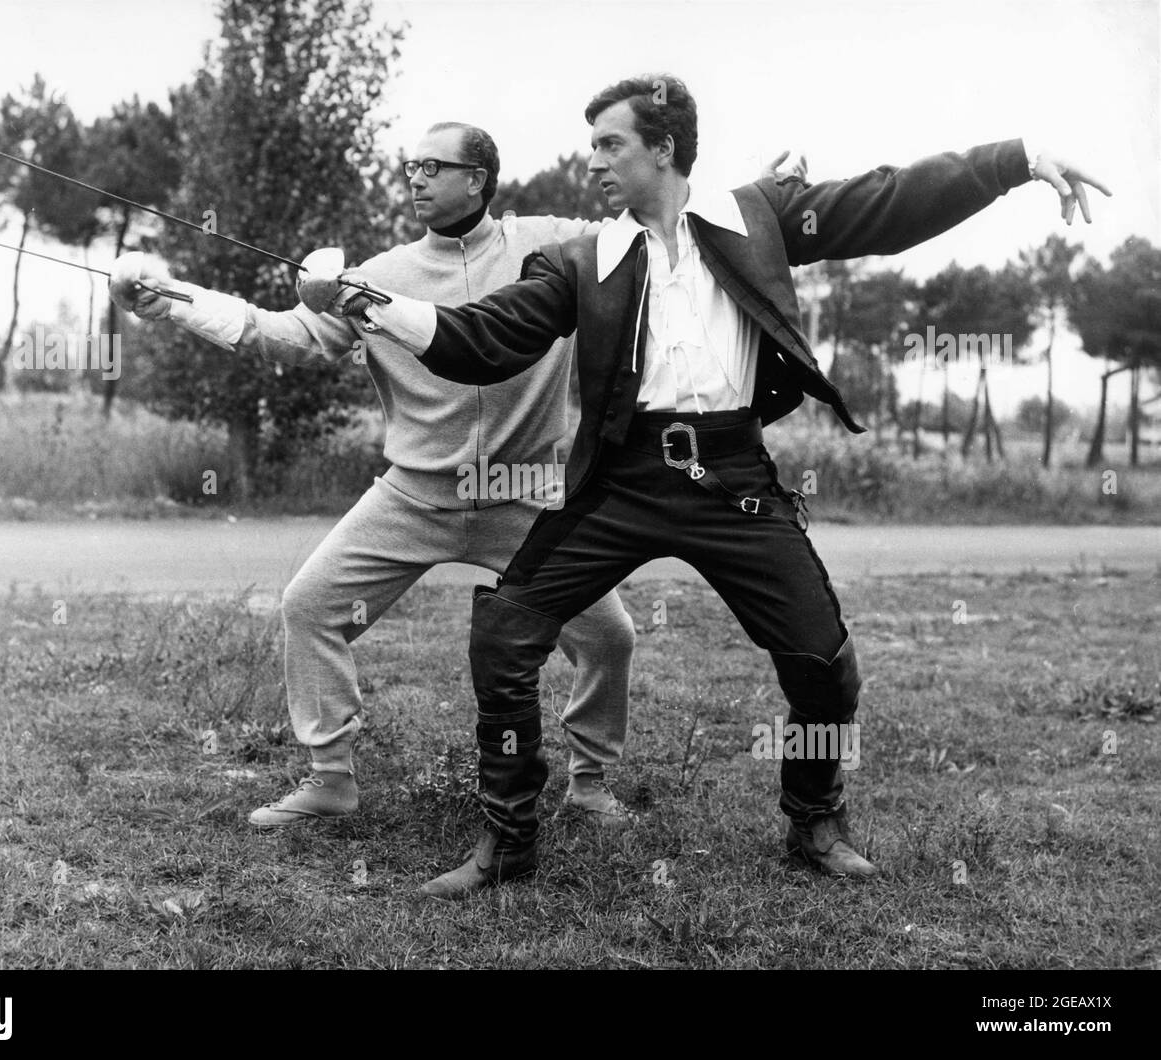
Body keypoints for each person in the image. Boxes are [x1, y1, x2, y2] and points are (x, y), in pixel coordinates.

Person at [325, 75, 1110, 898]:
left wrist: (1016, 160)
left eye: (610, 144)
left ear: (663, 149)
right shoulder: (582, 260)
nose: (591, 161)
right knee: (506, 635)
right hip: (622, 479)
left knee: (823, 661)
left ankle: (815, 821)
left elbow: (888, 203)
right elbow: (485, 340)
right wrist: (375, 305)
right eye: (591, 144)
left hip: (732, 477)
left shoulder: (757, 219)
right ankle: (507, 845)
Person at [111, 123, 654, 832]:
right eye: (411, 167)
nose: (417, 179)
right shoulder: (379, 274)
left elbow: (647, 226)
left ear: (479, 178)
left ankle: (589, 785)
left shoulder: (549, 242)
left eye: (434, 166)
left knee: (610, 638)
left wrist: (755, 199)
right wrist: (174, 299)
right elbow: (288, 336)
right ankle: (330, 780)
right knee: (310, 607)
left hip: (528, 499)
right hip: (415, 496)